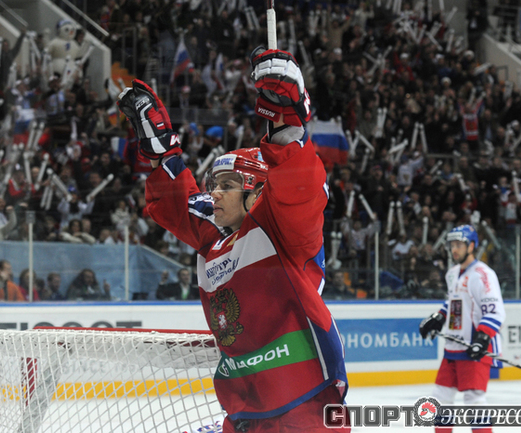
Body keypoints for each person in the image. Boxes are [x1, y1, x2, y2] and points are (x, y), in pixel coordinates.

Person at [117, 49, 348, 431]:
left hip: (304, 400)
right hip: (245, 408)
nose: (216, 194)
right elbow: (178, 204)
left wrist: (287, 124)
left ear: (258, 193)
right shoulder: (215, 240)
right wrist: (160, 147)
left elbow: (297, 188)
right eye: (215, 185)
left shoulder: (284, 232)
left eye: (228, 185)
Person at [419, 225, 506, 433]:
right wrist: (440, 316)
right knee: (441, 398)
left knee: (474, 401)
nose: (454, 249)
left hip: (474, 346)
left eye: (459, 245)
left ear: (472, 246)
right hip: (454, 345)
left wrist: (482, 338)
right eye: (452, 245)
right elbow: (454, 301)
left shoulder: (483, 274)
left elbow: (495, 311)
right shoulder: (452, 274)